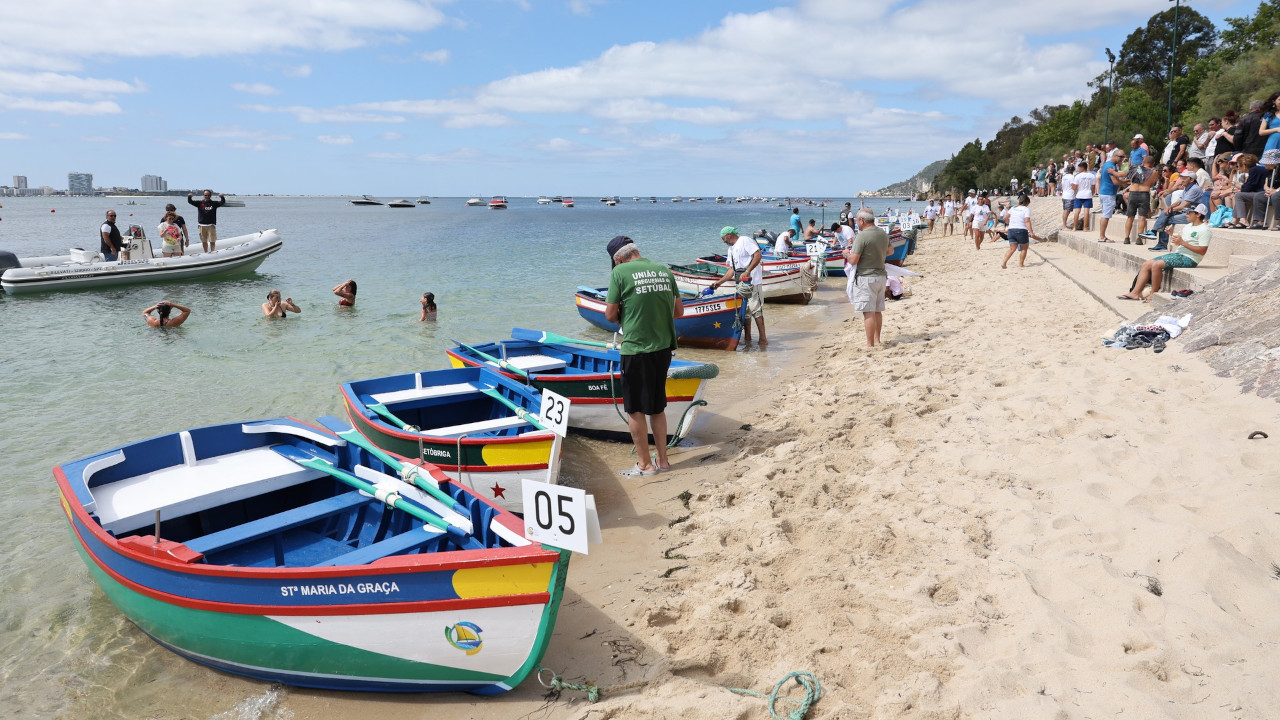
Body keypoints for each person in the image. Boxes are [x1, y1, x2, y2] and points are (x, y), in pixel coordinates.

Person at [603, 235, 682, 476]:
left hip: (636, 349)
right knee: (657, 407)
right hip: (664, 348)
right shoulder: (664, 271)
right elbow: (678, 311)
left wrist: (627, 315)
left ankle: (645, 465)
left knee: (635, 409)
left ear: (618, 259)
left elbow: (609, 315)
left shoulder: (619, 273)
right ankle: (664, 461)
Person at [1118, 204, 1212, 302]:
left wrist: (1182, 242)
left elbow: (1202, 251)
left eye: (1189, 212)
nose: (1186, 214)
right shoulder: (1188, 226)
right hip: (1179, 254)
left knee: (1157, 265)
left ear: (1198, 214)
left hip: (1190, 258)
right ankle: (1134, 293)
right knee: (1146, 264)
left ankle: (1154, 294)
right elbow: (1180, 243)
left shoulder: (1204, 230)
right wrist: (1172, 235)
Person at [707, 227, 766, 347]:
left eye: (723, 238)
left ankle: (763, 339)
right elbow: (731, 271)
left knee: (756, 310)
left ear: (728, 235)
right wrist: (719, 283)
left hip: (753, 282)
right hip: (741, 284)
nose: (723, 241)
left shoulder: (744, 240)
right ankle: (748, 338)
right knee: (745, 312)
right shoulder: (731, 249)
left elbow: (757, 256)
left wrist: (748, 271)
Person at [843, 209, 889, 348]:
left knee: (868, 312)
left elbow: (854, 260)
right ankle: (877, 340)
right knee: (877, 310)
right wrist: (876, 253)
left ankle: (869, 344)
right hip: (881, 276)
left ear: (862, 221)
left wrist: (846, 254)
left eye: (857, 220)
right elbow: (890, 251)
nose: (856, 223)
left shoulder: (862, 236)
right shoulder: (883, 233)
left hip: (866, 277)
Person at [1123, 155, 1158, 244]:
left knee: (1130, 217)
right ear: (1153, 163)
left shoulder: (1134, 169)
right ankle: (1139, 238)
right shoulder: (1153, 172)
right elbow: (1151, 184)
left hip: (1133, 193)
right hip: (1144, 194)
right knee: (1142, 217)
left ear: (1143, 162)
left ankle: (1126, 238)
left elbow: (1129, 178)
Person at [1230, 153, 1269, 229]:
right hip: (1259, 192)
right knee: (1239, 194)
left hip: (1261, 193)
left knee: (1239, 195)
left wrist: (1238, 185)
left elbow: (1247, 188)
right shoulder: (1256, 169)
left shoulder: (1254, 170)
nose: (1238, 168)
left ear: (1244, 166)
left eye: (1238, 166)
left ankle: (1242, 220)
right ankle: (1235, 220)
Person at [1002, 194, 1041, 269]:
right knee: (1024, 248)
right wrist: (1031, 232)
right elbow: (1027, 221)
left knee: (1012, 248)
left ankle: (1004, 262)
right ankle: (1021, 264)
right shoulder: (1026, 209)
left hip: (1011, 230)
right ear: (1027, 202)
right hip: (1021, 230)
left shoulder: (1013, 208)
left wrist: (1008, 224)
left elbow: (1005, 217)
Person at [1097, 149, 1126, 242]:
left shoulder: (1108, 164)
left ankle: (1102, 235)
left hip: (1104, 193)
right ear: (1115, 156)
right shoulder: (1111, 167)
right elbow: (1115, 182)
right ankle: (1102, 236)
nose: (1123, 159)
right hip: (1108, 194)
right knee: (1106, 215)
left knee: (1105, 214)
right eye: (1121, 157)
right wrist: (1125, 181)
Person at [1070, 162, 1095, 231]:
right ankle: (1085, 227)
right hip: (1088, 194)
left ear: (1082, 167)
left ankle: (1074, 227)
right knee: (1086, 211)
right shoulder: (1092, 175)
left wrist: (1076, 192)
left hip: (1079, 194)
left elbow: (1075, 187)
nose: (1079, 169)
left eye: (1079, 168)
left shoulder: (1078, 176)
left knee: (1077, 211)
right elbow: (1093, 187)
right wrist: (1092, 193)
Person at [1259, 92, 1280, 168]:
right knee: (1269, 168)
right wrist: (1276, 129)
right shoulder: (1269, 114)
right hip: (1273, 143)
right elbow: (1261, 132)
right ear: (1274, 101)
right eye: (1279, 99)